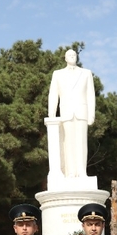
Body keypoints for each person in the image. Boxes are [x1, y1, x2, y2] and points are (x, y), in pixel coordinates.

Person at [47, 48, 96, 179]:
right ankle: (69, 172)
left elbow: (90, 94)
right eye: (69, 55)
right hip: (66, 112)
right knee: (67, 142)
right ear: (65, 58)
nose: (72, 56)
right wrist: (51, 112)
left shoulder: (86, 73)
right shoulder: (57, 74)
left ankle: (82, 172)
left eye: (74, 55)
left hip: (82, 111)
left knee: (81, 142)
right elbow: (53, 94)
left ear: (77, 57)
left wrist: (91, 114)